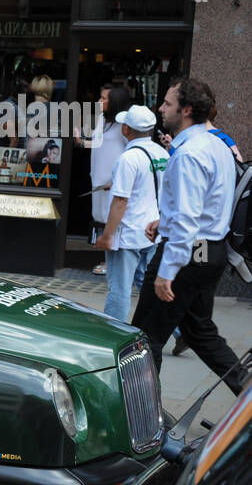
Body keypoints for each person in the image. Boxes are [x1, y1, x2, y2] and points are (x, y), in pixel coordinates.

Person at [131, 78, 246, 393]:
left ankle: (143, 421)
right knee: (199, 331)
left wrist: (167, 271)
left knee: (144, 339)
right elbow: (205, 204)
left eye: (167, 103)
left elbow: (187, 218)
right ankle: (247, 393)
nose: (161, 108)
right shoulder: (216, 144)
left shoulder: (190, 153)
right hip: (210, 252)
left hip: (187, 255)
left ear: (187, 110)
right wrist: (164, 222)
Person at [93, 105, 167, 322]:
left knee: (119, 290)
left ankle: (110, 336)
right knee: (147, 284)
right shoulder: (161, 153)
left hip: (127, 233)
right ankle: (176, 330)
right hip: (151, 230)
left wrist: (107, 236)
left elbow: (120, 201)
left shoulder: (128, 158)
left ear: (126, 129)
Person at [88, 85, 131, 274]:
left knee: (113, 218)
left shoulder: (125, 127)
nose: (100, 101)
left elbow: (131, 151)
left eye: (104, 98)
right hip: (98, 178)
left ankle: (111, 262)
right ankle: (106, 258)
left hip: (112, 181)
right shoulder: (101, 120)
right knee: (100, 218)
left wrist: (119, 179)